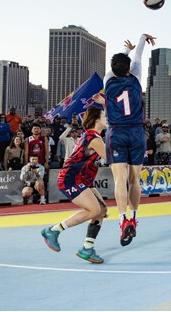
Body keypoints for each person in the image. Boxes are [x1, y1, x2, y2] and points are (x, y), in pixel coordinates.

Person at [101, 33, 155, 246]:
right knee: (135, 179)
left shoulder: (108, 80)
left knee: (119, 179)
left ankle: (123, 221)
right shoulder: (135, 77)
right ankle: (134, 216)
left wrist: (126, 49)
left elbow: (120, 62)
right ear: (128, 68)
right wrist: (141, 39)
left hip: (117, 132)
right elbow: (139, 55)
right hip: (136, 131)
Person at [41, 105, 109, 263]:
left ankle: (87, 248)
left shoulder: (92, 136)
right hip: (70, 178)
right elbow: (112, 159)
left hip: (82, 179)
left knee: (101, 210)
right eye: (104, 115)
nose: (107, 118)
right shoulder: (94, 138)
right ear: (96, 119)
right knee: (94, 210)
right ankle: (52, 231)